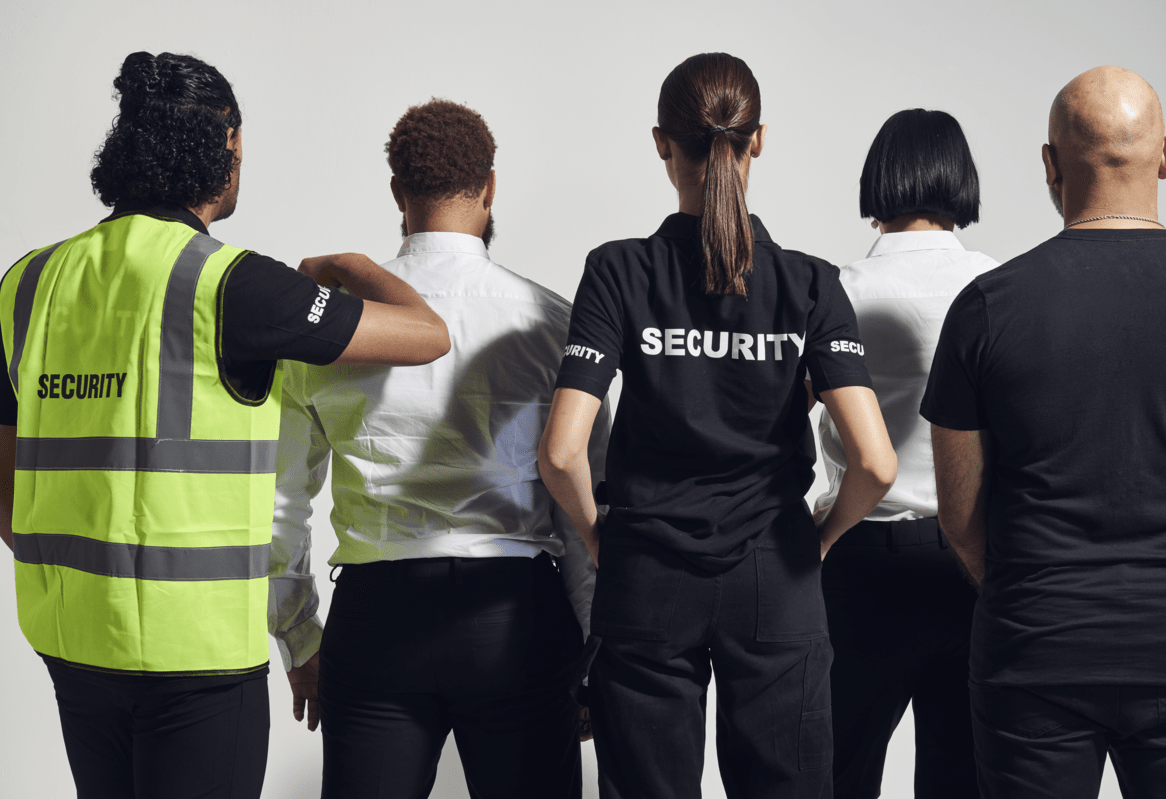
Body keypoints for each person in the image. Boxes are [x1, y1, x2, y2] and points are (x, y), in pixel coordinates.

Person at [0, 51, 449, 799]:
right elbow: (425, 333)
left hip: (71, 641)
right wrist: (349, 263)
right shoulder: (230, 283)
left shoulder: (27, 283)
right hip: (195, 658)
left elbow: (9, 480)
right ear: (226, 146)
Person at [539, 52, 897, 799]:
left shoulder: (618, 271)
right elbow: (876, 463)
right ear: (757, 139)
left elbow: (563, 450)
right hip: (777, 576)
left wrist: (601, 540)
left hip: (646, 577)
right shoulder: (810, 282)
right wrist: (819, 540)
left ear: (662, 142)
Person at [270, 98, 609, 799]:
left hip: (378, 619)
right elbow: (586, 504)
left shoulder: (329, 329)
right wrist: (587, 646)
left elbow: (280, 503)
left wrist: (300, 639)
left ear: (397, 192)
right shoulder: (553, 322)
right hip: (515, 617)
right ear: (490, 188)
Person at [921, 66, 1166, 799]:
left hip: (1034, 648)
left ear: (1049, 163)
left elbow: (959, 516)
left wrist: (1030, 592)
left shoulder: (986, 307)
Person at [815, 109, 997, 799]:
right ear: (961, 179)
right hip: (976, 562)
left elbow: (778, 421)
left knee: (835, 772)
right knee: (962, 778)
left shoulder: (836, 292)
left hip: (859, 560)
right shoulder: (999, 288)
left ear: (879, 179)